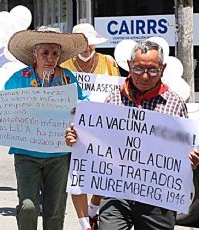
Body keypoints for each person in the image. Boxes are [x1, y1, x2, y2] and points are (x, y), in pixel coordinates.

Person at [65, 40, 199, 230]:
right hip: (117, 191)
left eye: (152, 70)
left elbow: (186, 147)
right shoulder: (114, 99)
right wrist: (76, 138)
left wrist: (192, 157)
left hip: (157, 195)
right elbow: (96, 141)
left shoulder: (173, 104)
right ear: (130, 66)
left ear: (162, 69)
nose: (145, 76)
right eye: (138, 69)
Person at [5, 26, 88, 230]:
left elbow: (85, 106)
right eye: (45, 52)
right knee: (27, 207)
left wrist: (75, 120)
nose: (50, 58)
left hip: (59, 153)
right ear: (35, 53)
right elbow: (4, 106)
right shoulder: (20, 78)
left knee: (55, 211)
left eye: (55, 53)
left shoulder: (68, 78)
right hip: (26, 152)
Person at [61, 23, 120, 230]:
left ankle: (94, 209)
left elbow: (117, 90)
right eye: (83, 44)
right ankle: (84, 222)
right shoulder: (65, 65)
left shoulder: (108, 61)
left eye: (90, 44)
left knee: (102, 171)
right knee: (77, 173)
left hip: (103, 126)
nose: (87, 48)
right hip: (74, 127)